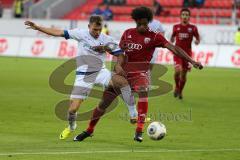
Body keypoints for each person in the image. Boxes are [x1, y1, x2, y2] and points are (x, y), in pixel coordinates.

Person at [73, 7, 203, 142]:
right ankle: (89, 130)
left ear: (148, 22)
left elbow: (174, 48)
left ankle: (139, 130)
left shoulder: (155, 36)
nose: (143, 27)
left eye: (145, 24)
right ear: (136, 21)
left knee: (143, 90)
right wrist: (117, 66)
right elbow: (119, 53)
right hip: (123, 73)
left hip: (140, 72)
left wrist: (192, 61)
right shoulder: (128, 33)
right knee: (103, 104)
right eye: (140, 24)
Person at [25, 15, 138, 140]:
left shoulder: (106, 39)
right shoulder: (80, 34)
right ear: (89, 26)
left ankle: (134, 114)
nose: (97, 32)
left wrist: (118, 65)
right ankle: (71, 127)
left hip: (100, 72)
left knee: (122, 82)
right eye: (95, 29)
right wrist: (38, 28)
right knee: (73, 110)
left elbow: (120, 53)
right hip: (83, 76)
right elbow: (58, 32)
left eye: (99, 30)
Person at [170, 8, 200, 99]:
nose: (185, 17)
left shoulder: (193, 28)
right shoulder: (176, 27)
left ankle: (180, 91)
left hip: (187, 55)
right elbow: (172, 37)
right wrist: (171, 40)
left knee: (183, 74)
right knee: (177, 71)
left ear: (189, 17)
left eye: (187, 15)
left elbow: (198, 38)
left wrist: (197, 41)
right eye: (183, 15)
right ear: (180, 16)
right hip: (177, 53)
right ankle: (177, 87)